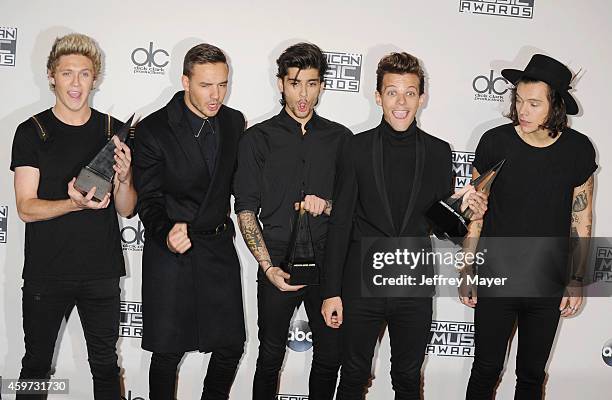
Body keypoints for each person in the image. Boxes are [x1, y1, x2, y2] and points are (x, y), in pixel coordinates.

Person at [321, 52, 487, 399]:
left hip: (413, 285)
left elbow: (445, 230)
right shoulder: (355, 147)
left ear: (421, 98)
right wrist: (331, 291)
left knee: (408, 378)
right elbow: (340, 224)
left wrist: (466, 212)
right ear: (378, 96)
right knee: (352, 376)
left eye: (410, 93)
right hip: (361, 282)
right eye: (392, 92)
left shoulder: (440, 152)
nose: (401, 102)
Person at [462, 54, 597, 400]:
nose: (523, 110)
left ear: (555, 107)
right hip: (496, 276)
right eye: (519, 100)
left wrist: (577, 278)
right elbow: (476, 212)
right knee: (485, 370)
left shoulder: (579, 151)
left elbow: (582, 219)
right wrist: (466, 268)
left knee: (532, 376)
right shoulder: (495, 142)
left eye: (534, 103)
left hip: (546, 282)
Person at [10, 33, 136, 399]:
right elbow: (25, 208)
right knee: (35, 364)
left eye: (84, 74)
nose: (76, 83)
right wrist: (72, 204)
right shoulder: (32, 132)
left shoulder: (114, 131)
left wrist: (125, 178)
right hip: (46, 273)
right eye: (67, 73)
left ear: (95, 78)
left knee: (105, 367)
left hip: (101, 272)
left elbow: (126, 208)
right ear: (51, 76)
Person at [233, 42, 351, 400]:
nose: (303, 94)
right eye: (295, 82)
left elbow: (348, 207)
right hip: (278, 257)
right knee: (269, 357)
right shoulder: (257, 138)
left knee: (330, 357)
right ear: (280, 83)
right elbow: (246, 209)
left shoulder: (340, 139)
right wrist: (267, 267)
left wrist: (326, 205)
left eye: (312, 83)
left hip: (328, 260)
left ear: (322, 86)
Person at [133, 43, 246, 400]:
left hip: (216, 246)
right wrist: (167, 231)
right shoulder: (153, 130)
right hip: (171, 252)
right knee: (168, 351)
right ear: (185, 82)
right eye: (206, 86)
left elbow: (239, 184)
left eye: (223, 85)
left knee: (230, 346)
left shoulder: (233, 121)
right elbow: (147, 200)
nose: (216, 96)